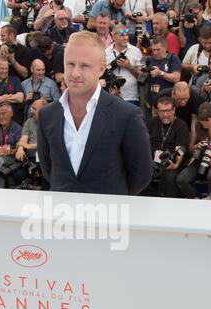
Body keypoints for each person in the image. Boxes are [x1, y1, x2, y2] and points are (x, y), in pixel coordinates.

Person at [37, 31, 152, 195]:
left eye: (85, 65)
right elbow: (49, 170)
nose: (75, 73)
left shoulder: (127, 116)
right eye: (70, 64)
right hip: (61, 214)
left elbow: (141, 175)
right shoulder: (47, 115)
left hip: (108, 215)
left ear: (101, 69)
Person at [177, 102, 211, 198]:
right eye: (201, 120)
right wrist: (197, 146)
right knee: (181, 179)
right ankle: (196, 200)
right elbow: (191, 149)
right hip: (200, 160)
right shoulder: (199, 126)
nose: (204, 123)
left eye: (207, 120)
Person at [146, 96, 189, 197]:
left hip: (170, 162)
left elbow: (181, 149)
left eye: (168, 111)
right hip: (151, 160)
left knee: (169, 177)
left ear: (174, 109)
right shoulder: (152, 122)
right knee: (139, 174)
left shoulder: (181, 125)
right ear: (157, 111)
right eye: (161, 111)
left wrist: (176, 164)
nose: (165, 115)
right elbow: (143, 143)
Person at [105, 23, 142, 106]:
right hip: (110, 97)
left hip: (131, 98)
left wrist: (130, 67)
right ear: (113, 37)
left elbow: (142, 77)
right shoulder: (105, 53)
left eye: (127, 35)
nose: (125, 38)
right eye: (122, 35)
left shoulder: (136, 51)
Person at [145, 36, 181, 110]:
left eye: (158, 50)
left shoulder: (172, 58)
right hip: (151, 101)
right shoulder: (148, 59)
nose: (155, 52)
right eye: (153, 50)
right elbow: (139, 77)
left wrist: (160, 73)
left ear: (165, 48)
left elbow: (176, 78)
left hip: (167, 102)